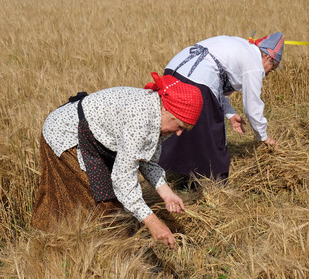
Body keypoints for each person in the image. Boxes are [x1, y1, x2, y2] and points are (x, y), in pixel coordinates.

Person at [31, 72, 203, 249]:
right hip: (66, 134)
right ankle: (50, 246)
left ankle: (64, 246)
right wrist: (153, 223)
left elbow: (146, 159)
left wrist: (166, 193)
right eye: (180, 126)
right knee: (93, 202)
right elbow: (122, 179)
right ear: (166, 109)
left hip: (96, 139)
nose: (179, 133)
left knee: (102, 204)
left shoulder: (162, 120)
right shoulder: (140, 120)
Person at [158, 32, 284, 181]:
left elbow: (214, 82)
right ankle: (213, 182)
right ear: (268, 57)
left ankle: (172, 174)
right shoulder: (254, 63)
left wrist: (230, 114)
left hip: (174, 70)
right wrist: (263, 137)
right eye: (272, 67)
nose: (269, 73)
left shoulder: (241, 46)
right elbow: (252, 106)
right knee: (212, 133)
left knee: (176, 125)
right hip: (197, 79)